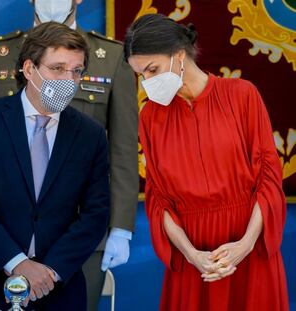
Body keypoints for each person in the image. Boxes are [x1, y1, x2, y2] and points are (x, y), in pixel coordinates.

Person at [0, 1, 139, 309]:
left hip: (83, 234)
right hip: (9, 235)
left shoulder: (112, 58)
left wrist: (121, 227)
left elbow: (124, 149)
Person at [0, 22, 110, 311]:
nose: (69, 79)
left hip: (56, 290)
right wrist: (18, 263)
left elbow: (95, 215)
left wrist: (48, 272)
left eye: (76, 71)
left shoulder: (90, 135)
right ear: (29, 70)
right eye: (57, 68)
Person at [124, 13, 289, 311]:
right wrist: (192, 255)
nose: (147, 82)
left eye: (152, 70)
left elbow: (268, 178)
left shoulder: (243, 95)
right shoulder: (150, 117)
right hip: (194, 258)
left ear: (179, 54)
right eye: (140, 75)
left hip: (248, 248)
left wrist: (246, 244)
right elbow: (158, 198)